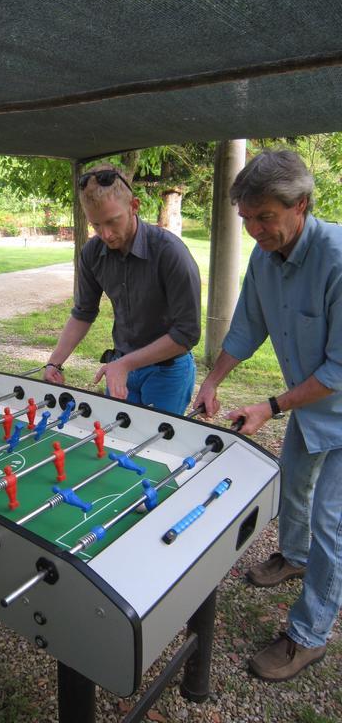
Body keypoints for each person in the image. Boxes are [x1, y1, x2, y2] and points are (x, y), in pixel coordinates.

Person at [194, 149, 342, 681]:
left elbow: (338, 370)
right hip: (316, 406)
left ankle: (309, 635)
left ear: (300, 206)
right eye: (247, 220)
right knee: (294, 481)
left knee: (333, 521)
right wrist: (211, 380)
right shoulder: (265, 257)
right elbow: (247, 326)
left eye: (266, 217)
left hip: (336, 397)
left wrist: (271, 406)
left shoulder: (339, 259)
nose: (256, 230)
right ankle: (295, 557)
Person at [44, 165, 201, 414]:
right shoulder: (92, 253)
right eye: (96, 225)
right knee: (114, 444)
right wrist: (55, 362)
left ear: (134, 206)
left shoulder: (169, 252)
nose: (105, 234)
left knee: (156, 450)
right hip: (121, 365)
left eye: (112, 221)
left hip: (167, 370)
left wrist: (125, 364)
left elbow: (187, 334)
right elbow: (83, 312)